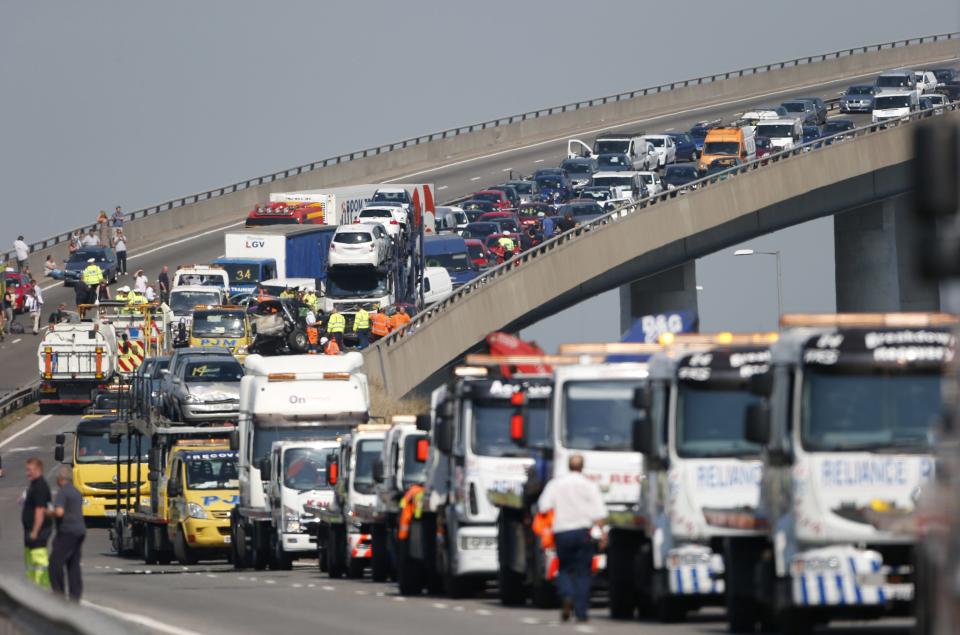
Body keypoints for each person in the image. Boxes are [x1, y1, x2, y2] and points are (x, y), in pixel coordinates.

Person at [536, 454, 606, 623]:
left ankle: (567, 596)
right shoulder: (589, 485)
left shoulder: (556, 484)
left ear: (568, 466)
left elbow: (543, 506)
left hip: (562, 532)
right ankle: (581, 612)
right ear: (582, 467)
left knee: (565, 568)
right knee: (583, 572)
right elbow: (599, 514)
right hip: (583, 532)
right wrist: (602, 533)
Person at [47, 465, 86, 601]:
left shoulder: (63, 492)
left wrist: (49, 512)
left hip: (67, 531)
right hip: (80, 530)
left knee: (55, 563)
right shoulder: (76, 491)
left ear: (61, 478)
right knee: (73, 564)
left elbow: (59, 512)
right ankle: (75, 596)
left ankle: (59, 594)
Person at [21, 457, 52, 589]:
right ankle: (32, 589)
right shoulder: (33, 484)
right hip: (30, 533)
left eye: (30, 470)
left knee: (39, 562)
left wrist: (35, 531)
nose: (27, 473)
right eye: (27, 470)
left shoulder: (40, 486)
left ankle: (42, 590)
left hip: (38, 533)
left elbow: (40, 510)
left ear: (38, 469)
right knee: (31, 563)